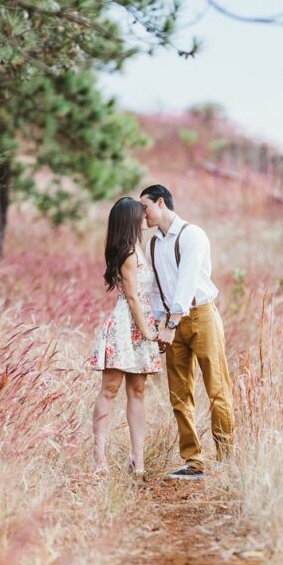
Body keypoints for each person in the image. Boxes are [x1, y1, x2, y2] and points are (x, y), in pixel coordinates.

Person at [140, 184, 235, 481]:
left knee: (216, 388)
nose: (142, 214)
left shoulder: (192, 234)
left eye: (145, 207)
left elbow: (186, 280)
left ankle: (226, 459)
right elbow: (156, 290)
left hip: (201, 316)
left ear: (160, 202)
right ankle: (194, 461)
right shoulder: (153, 244)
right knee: (179, 393)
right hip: (171, 323)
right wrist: (159, 324)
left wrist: (171, 323)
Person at [89, 197, 162, 477]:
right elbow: (131, 296)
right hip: (126, 325)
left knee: (138, 391)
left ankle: (137, 459)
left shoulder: (139, 248)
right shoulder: (129, 252)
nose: (145, 216)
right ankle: (99, 460)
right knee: (110, 390)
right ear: (130, 220)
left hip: (140, 322)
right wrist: (146, 331)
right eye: (140, 213)